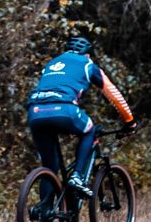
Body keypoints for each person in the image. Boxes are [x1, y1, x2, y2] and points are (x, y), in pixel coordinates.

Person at [25, 37, 135, 198]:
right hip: (64, 108)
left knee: (50, 167)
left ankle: (45, 214)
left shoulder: (51, 64)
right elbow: (114, 94)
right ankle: (77, 177)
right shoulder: (87, 64)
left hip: (35, 112)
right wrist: (129, 121)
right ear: (88, 54)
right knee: (89, 130)